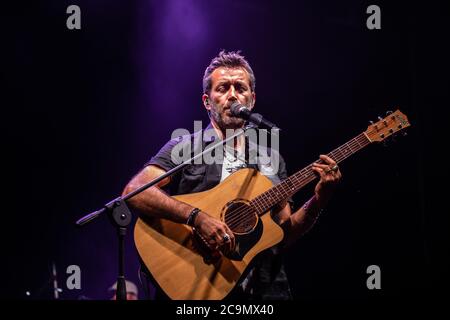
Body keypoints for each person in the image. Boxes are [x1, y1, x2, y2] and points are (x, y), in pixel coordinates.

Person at [123, 50, 342, 300]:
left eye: (240, 88)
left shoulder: (269, 159)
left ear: (252, 99)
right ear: (207, 101)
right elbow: (135, 191)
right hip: (196, 285)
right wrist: (197, 218)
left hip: (261, 292)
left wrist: (319, 199)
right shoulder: (185, 147)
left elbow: (284, 234)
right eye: (223, 88)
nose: (233, 95)